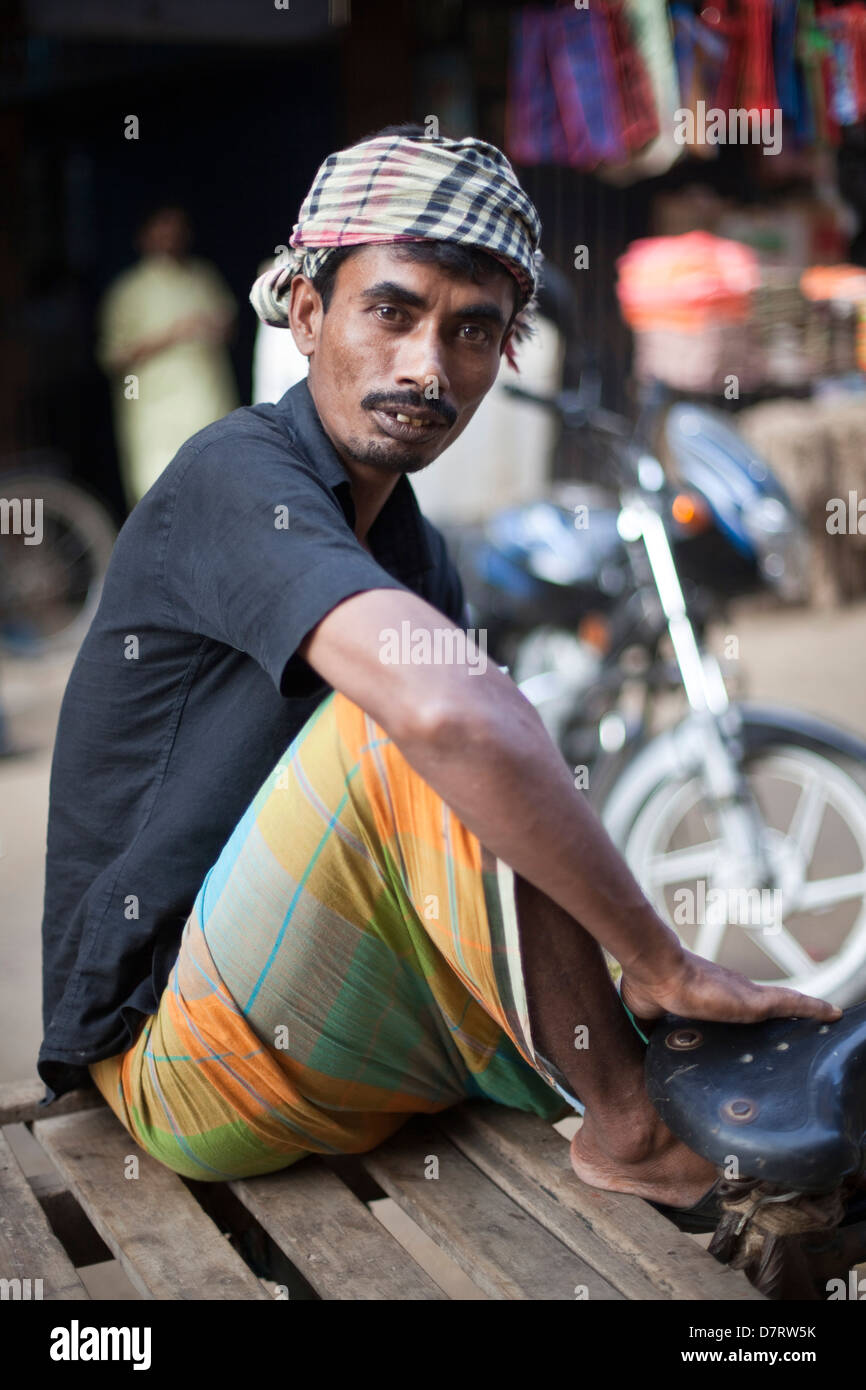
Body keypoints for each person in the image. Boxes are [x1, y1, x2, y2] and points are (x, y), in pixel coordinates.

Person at [39, 125, 840, 1224]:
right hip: (175, 1065)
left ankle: (664, 1101)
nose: (427, 367)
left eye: (472, 330)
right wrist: (653, 956)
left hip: (350, 1022)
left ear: (507, 352)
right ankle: (634, 1133)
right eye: (391, 310)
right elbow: (444, 722)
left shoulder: (412, 546)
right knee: (429, 710)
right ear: (308, 312)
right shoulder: (231, 475)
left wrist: (644, 978)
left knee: (477, 737)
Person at [96, 206, 239, 510]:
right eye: (162, 228)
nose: (170, 236)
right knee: (160, 493)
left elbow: (231, 326)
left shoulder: (203, 276)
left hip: (205, 402)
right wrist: (173, 334)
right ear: (144, 236)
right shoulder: (129, 289)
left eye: (176, 228)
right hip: (155, 411)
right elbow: (114, 357)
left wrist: (217, 326)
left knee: (216, 484)